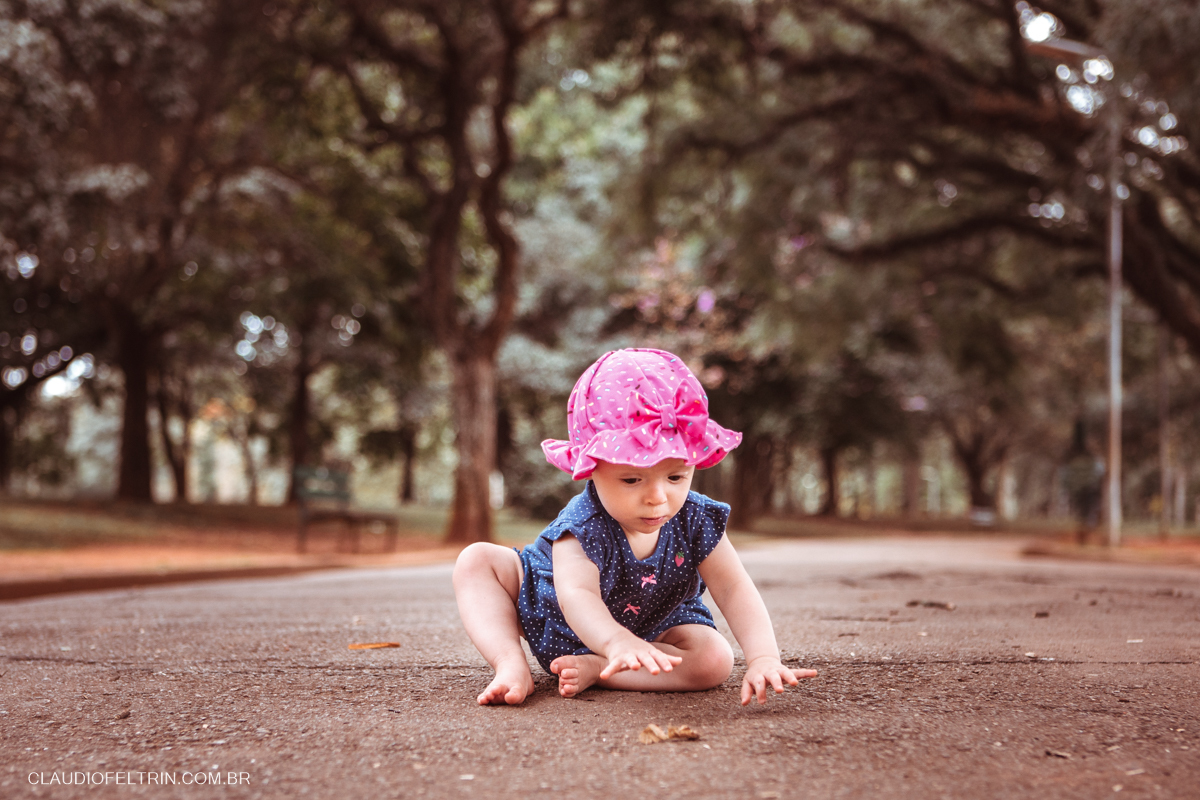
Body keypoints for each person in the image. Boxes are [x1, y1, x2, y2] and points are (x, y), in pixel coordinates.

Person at [453, 348, 818, 706]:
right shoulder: (581, 526)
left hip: (656, 625)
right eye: (632, 480)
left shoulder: (695, 518)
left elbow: (733, 586)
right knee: (476, 560)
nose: (658, 497)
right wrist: (615, 642)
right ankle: (510, 664)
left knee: (714, 660)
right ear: (591, 467)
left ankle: (602, 669)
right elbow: (577, 596)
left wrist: (763, 656)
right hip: (557, 615)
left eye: (676, 476)